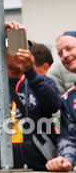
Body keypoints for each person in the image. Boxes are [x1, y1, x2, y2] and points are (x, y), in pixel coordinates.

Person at [0, 22, 60, 171]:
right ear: (2, 52)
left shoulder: (41, 80)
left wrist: (30, 73)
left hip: (42, 166)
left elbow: (53, 105)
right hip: (6, 165)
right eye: (13, 46)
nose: (20, 51)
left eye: (25, 48)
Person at [47, 32, 76, 172]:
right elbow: (69, 137)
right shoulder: (69, 98)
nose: (64, 55)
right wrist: (66, 160)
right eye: (59, 53)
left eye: (69, 48)